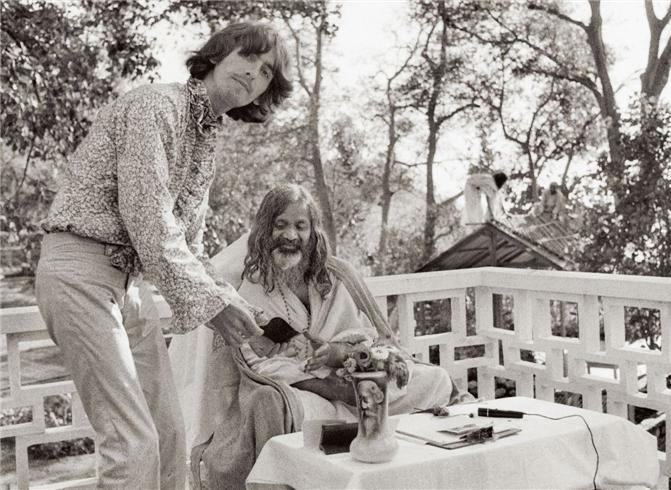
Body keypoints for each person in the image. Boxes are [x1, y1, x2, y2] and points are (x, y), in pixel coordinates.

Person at [34, 22, 292, 489]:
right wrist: (215, 308)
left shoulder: (205, 141)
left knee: (169, 433)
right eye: (248, 56)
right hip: (78, 269)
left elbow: (188, 247)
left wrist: (243, 310)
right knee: (131, 441)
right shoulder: (158, 105)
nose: (255, 73)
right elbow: (147, 217)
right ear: (216, 55)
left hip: (127, 285)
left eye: (267, 72)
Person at [169, 184, 470, 488]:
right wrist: (329, 387)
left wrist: (340, 354)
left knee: (434, 381)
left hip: (355, 379)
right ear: (265, 229)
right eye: (281, 225)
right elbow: (259, 362)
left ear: (313, 232)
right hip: (306, 390)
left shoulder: (333, 276)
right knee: (272, 404)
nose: (290, 235)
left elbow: (366, 336)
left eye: (300, 226)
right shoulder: (253, 286)